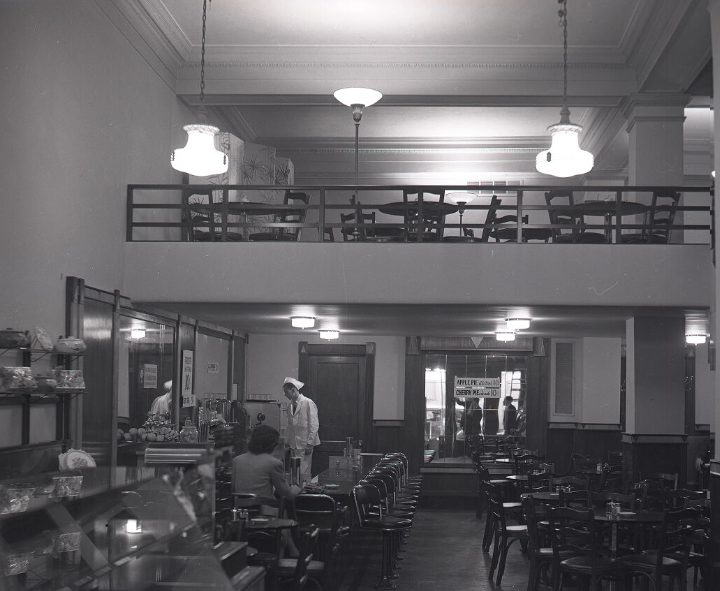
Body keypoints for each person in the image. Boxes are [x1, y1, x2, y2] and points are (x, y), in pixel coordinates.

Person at [232, 425, 301, 555]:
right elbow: (287, 494)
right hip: (263, 512)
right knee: (286, 507)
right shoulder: (273, 463)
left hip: (240, 515)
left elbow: (234, 488)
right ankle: (288, 551)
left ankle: (291, 549)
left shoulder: (236, 461)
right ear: (271, 445)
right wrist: (297, 488)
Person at [283, 377, 320, 482]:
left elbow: (314, 424)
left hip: (305, 445)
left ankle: (304, 495)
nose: (285, 395)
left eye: (286, 392)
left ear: (293, 390)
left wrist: (310, 443)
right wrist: (287, 441)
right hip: (294, 445)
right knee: (294, 473)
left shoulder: (308, 403)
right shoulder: (290, 406)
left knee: (304, 472)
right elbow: (290, 426)